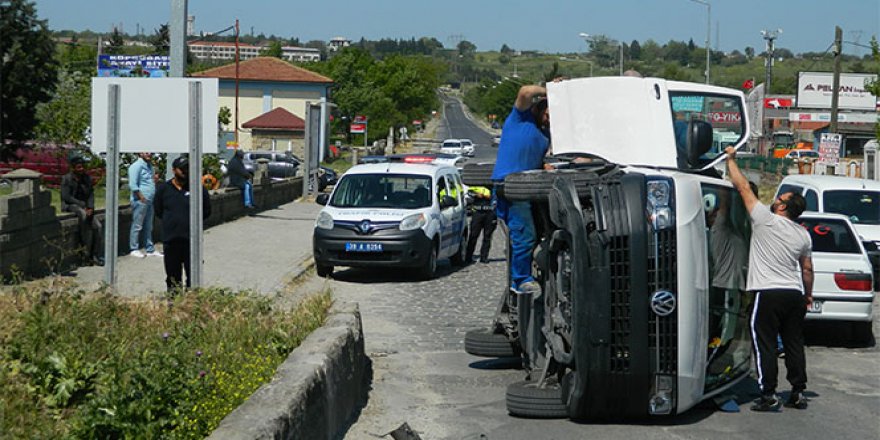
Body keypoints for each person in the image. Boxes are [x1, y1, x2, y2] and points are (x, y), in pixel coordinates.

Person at [724, 146, 813, 412]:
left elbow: (742, 188)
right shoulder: (803, 235)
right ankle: (798, 392)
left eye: (779, 198)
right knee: (794, 343)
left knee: (764, 344)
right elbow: (807, 269)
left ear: (783, 206)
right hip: (794, 294)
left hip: (767, 293)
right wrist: (808, 294)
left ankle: (768, 394)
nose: (775, 199)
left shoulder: (766, 220)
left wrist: (730, 159)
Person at [490, 83, 551, 295]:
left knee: (537, 233)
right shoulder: (518, 119)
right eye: (548, 113)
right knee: (524, 234)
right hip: (511, 187)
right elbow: (525, 91)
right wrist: (550, 89)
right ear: (538, 107)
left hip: (530, 189)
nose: (550, 119)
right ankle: (520, 280)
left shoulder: (546, 135)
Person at [154, 156, 212, 293]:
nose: (186, 171)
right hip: (171, 241)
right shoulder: (164, 189)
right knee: (173, 278)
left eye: (188, 168)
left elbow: (207, 210)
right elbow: (158, 210)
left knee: (194, 277)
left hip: (192, 241)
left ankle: (192, 305)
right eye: (182, 169)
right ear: (174, 170)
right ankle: (174, 306)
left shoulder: (198, 189)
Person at [60, 155, 103, 266]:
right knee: (83, 217)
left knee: (98, 227)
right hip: (71, 205)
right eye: (78, 167)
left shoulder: (87, 178)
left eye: (82, 167)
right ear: (73, 168)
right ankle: (85, 254)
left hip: (85, 206)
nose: (81, 169)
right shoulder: (67, 179)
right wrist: (82, 205)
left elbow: (90, 195)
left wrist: (90, 207)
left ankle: (95, 255)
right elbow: (66, 197)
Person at [128, 152, 160, 258]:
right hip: (140, 200)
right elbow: (133, 184)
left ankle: (149, 249)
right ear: (140, 153)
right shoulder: (136, 166)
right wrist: (141, 197)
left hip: (150, 200)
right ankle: (134, 248)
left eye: (150, 151)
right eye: (145, 151)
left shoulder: (150, 166)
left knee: (148, 225)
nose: (149, 153)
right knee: (137, 225)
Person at [465, 185, 496, 264]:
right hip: (477, 213)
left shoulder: (493, 186)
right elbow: (469, 192)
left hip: (490, 213)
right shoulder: (477, 184)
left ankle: (484, 257)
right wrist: (477, 194)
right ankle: (468, 257)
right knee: (473, 235)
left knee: (487, 236)